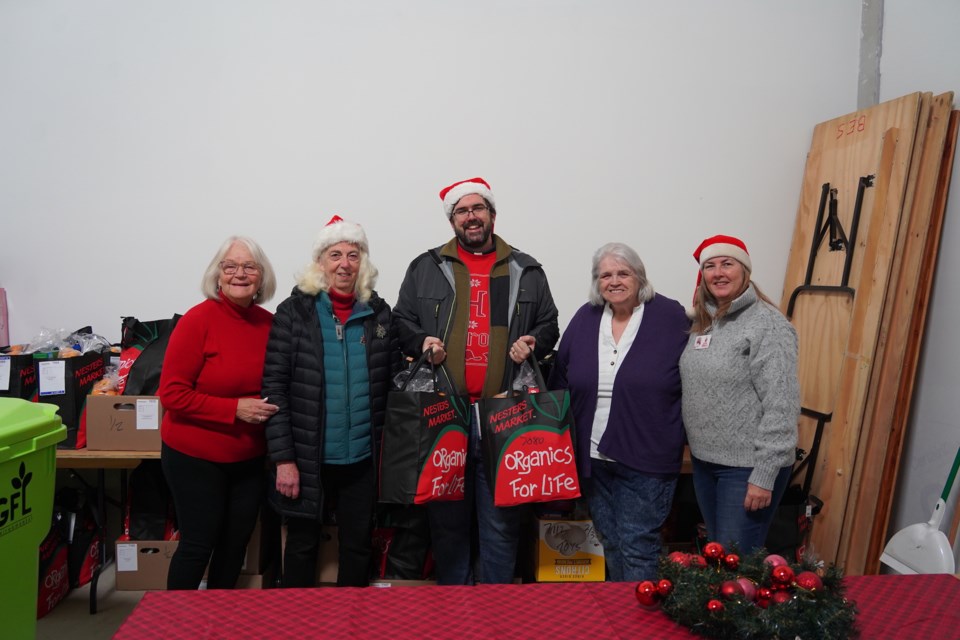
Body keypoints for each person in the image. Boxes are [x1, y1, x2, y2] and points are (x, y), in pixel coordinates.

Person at [393, 176, 560, 585]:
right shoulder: (427, 267)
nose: (471, 217)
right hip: (444, 412)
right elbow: (402, 320)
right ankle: (455, 612)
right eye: (462, 211)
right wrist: (421, 340)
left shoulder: (525, 268)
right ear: (453, 220)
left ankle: (495, 613)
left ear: (492, 215)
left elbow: (549, 323)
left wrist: (533, 342)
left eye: (478, 209)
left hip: (504, 411)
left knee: (502, 522)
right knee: (447, 523)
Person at [261, 215, 397, 587]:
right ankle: (296, 625)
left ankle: (352, 623)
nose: (344, 264)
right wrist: (284, 460)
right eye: (335, 254)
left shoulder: (380, 315)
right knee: (302, 545)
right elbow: (274, 388)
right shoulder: (294, 314)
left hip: (363, 459)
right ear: (320, 264)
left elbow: (395, 381)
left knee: (357, 547)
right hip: (307, 458)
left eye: (353, 255)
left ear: (362, 263)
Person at [549, 242, 688, 581]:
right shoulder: (586, 317)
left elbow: (695, 380)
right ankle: (622, 619)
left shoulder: (670, 316)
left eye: (623, 273)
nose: (614, 281)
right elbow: (560, 375)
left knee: (638, 545)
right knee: (609, 542)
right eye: (605, 275)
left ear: (639, 277)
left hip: (646, 453)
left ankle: (643, 624)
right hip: (594, 453)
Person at [158, 235, 279, 590]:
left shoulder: (269, 324)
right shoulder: (197, 321)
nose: (240, 274)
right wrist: (234, 409)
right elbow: (172, 394)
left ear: (261, 276)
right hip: (195, 456)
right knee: (198, 545)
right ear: (218, 275)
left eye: (249, 267)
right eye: (231, 266)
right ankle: (177, 626)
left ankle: (219, 621)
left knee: (234, 546)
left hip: (248, 459)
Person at [679, 234, 800, 553]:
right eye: (710, 266)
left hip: (747, 467)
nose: (718, 272)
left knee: (736, 563)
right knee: (719, 559)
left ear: (745, 271)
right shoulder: (704, 323)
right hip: (705, 463)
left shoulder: (766, 325)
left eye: (727, 264)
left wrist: (764, 475)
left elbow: (782, 405)